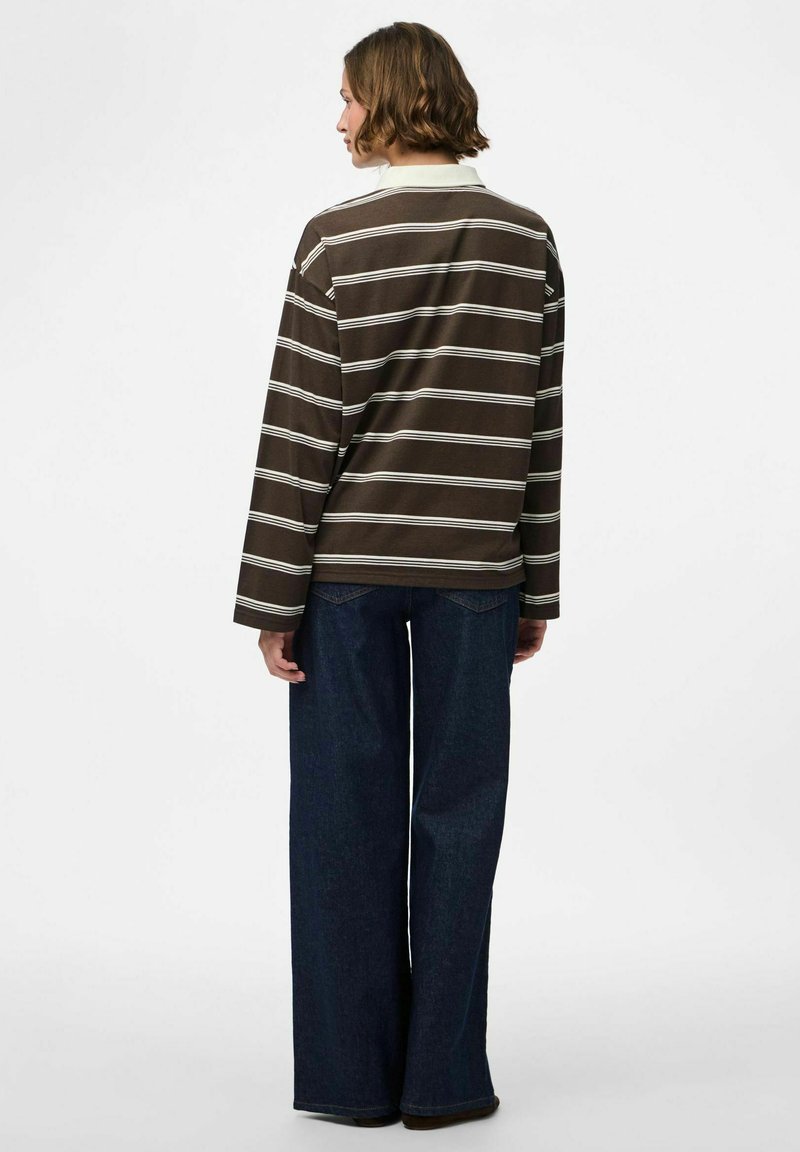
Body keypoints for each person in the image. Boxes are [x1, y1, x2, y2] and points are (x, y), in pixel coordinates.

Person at [233, 20, 565, 1130]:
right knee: (460, 822)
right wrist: (533, 584)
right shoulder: (527, 241)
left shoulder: (334, 240)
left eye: (346, 97)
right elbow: (538, 429)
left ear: (389, 100)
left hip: (347, 576)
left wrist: (272, 597)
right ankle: (444, 1083)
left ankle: (349, 1081)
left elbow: (300, 426)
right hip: (477, 571)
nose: (337, 119)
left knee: (342, 819)